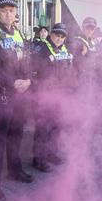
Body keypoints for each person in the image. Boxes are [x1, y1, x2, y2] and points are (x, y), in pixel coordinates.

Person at [0, 0, 34, 201]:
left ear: (15, 12)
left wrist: (28, 80)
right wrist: (13, 83)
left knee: (16, 135)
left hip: (20, 94)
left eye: (11, 10)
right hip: (0, 94)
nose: (8, 13)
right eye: (4, 10)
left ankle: (15, 170)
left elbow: (27, 61)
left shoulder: (18, 33)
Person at [31, 23, 73, 172]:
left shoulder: (64, 50)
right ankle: (39, 159)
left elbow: (69, 71)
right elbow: (34, 68)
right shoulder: (41, 47)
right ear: (51, 34)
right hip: (44, 95)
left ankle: (51, 154)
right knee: (43, 128)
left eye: (62, 37)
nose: (59, 39)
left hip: (60, 95)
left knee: (56, 127)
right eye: (57, 35)